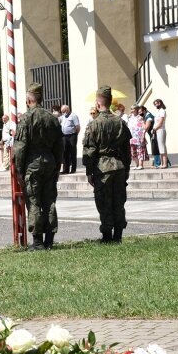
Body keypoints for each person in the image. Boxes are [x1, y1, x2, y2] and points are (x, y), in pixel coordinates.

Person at [13, 82, 63, 250]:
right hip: (49, 162)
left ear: (29, 100)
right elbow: (59, 145)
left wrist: (18, 170)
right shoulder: (52, 118)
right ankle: (49, 238)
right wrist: (57, 165)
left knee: (33, 202)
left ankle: (37, 241)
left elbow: (20, 147)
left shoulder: (27, 118)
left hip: (32, 164)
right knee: (49, 202)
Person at [83, 86, 132, 243]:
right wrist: (127, 168)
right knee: (119, 201)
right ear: (110, 102)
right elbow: (126, 149)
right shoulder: (121, 122)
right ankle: (118, 235)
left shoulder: (94, 124)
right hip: (118, 166)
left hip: (102, 167)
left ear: (98, 103)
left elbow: (89, 151)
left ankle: (107, 236)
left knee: (104, 202)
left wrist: (89, 171)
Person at [59, 105, 81, 174]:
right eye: (62, 112)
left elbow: (78, 127)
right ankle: (66, 169)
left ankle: (73, 169)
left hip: (72, 135)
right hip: (64, 136)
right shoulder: (63, 117)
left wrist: (75, 134)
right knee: (65, 152)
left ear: (67, 110)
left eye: (64, 111)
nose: (63, 113)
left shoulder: (73, 116)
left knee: (72, 152)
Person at [127, 104, 146, 170]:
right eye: (131, 109)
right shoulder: (130, 118)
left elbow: (144, 127)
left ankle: (141, 165)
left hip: (138, 137)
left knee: (140, 151)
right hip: (131, 137)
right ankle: (137, 164)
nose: (132, 110)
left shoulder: (140, 118)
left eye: (133, 109)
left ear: (137, 110)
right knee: (133, 151)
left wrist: (143, 136)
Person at [153, 99, 169, 169]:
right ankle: (162, 163)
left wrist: (154, 129)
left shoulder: (162, 111)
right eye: (155, 104)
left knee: (162, 147)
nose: (155, 105)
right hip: (157, 130)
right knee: (160, 147)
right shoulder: (159, 111)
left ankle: (165, 163)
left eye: (156, 104)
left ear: (160, 103)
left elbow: (160, 122)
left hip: (161, 130)